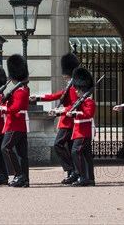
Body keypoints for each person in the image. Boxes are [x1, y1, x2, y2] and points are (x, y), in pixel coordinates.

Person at [30, 52, 80, 184]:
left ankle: (72, 170)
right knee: (67, 147)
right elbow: (58, 95)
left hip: (69, 122)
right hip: (66, 121)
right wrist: (40, 98)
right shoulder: (70, 85)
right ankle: (73, 173)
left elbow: (74, 106)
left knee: (58, 144)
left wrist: (59, 111)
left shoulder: (74, 86)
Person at [54, 66, 96, 187]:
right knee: (85, 154)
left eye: (78, 89)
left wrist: (75, 113)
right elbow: (70, 108)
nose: (75, 91)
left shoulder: (89, 101)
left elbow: (88, 114)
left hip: (84, 131)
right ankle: (89, 178)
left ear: (83, 89)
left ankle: (82, 176)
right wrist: (59, 111)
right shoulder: (81, 101)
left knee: (76, 151)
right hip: (79, 131)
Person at [0, 54, 30, 188]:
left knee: (5, 148)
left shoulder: (21, 91)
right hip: (18, 124)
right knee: (21, 153)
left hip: (15, 124)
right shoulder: (18, 90)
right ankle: (24, 179)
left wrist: (2, 108)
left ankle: (19, 175)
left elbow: (15, 108)